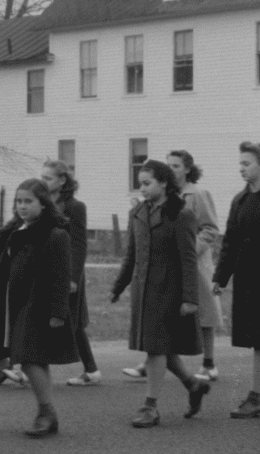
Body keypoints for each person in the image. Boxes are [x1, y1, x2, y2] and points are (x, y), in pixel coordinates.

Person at [0, 179, 76, 439]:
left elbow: (62, 276)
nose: (22, 206)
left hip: (38, 305)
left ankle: (46, 412)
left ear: (43, 204)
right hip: (13, 302)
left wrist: (58, 312)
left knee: (27, 357)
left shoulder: (55, 234)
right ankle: (47, 413)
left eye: (29, 201)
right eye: (19, 201)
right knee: (34, 358)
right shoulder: (15, 230)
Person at [110, 160, 208, 427]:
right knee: (161, 346)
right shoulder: (138, 212)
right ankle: (193, 385)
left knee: (155, 348)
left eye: (146, 183)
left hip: (169, 292)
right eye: (140, 183)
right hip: (143, 292)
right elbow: (131, 254)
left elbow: (188, 259)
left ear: (163, 183)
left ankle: (149, 407)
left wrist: (190, 298)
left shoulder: (181, 214)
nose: (141, 188)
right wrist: (119, 286)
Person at [39, 161, 101, 387]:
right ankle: (35, 366)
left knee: (72, 320)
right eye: (43, 177)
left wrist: (73, 277)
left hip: (67, 271)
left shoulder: (75, 206)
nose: (44, 182)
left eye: (49, 178)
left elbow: (79, 244)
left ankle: (91, 369)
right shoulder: (43, 204)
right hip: (46, 270)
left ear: (62, 180)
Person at [213, 141, 260, 419]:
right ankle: (256, 397)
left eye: (247, 163)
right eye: (240, 163)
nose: (241, 168)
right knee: (257, 340)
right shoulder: (240, 201)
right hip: (249, 279)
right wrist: (221, 276)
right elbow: (230, 241)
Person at [171, 151, 225, 382]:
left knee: (205, 312)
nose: (171, 169)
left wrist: (191, 249)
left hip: (195, 261)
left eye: (176, 165)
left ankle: (209, 363)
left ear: (187, 169)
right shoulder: (167, 194)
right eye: (168, 165)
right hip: (171, 262)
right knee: (167, 309)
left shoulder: (199, 193)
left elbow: (211, 228)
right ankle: (153, 359)